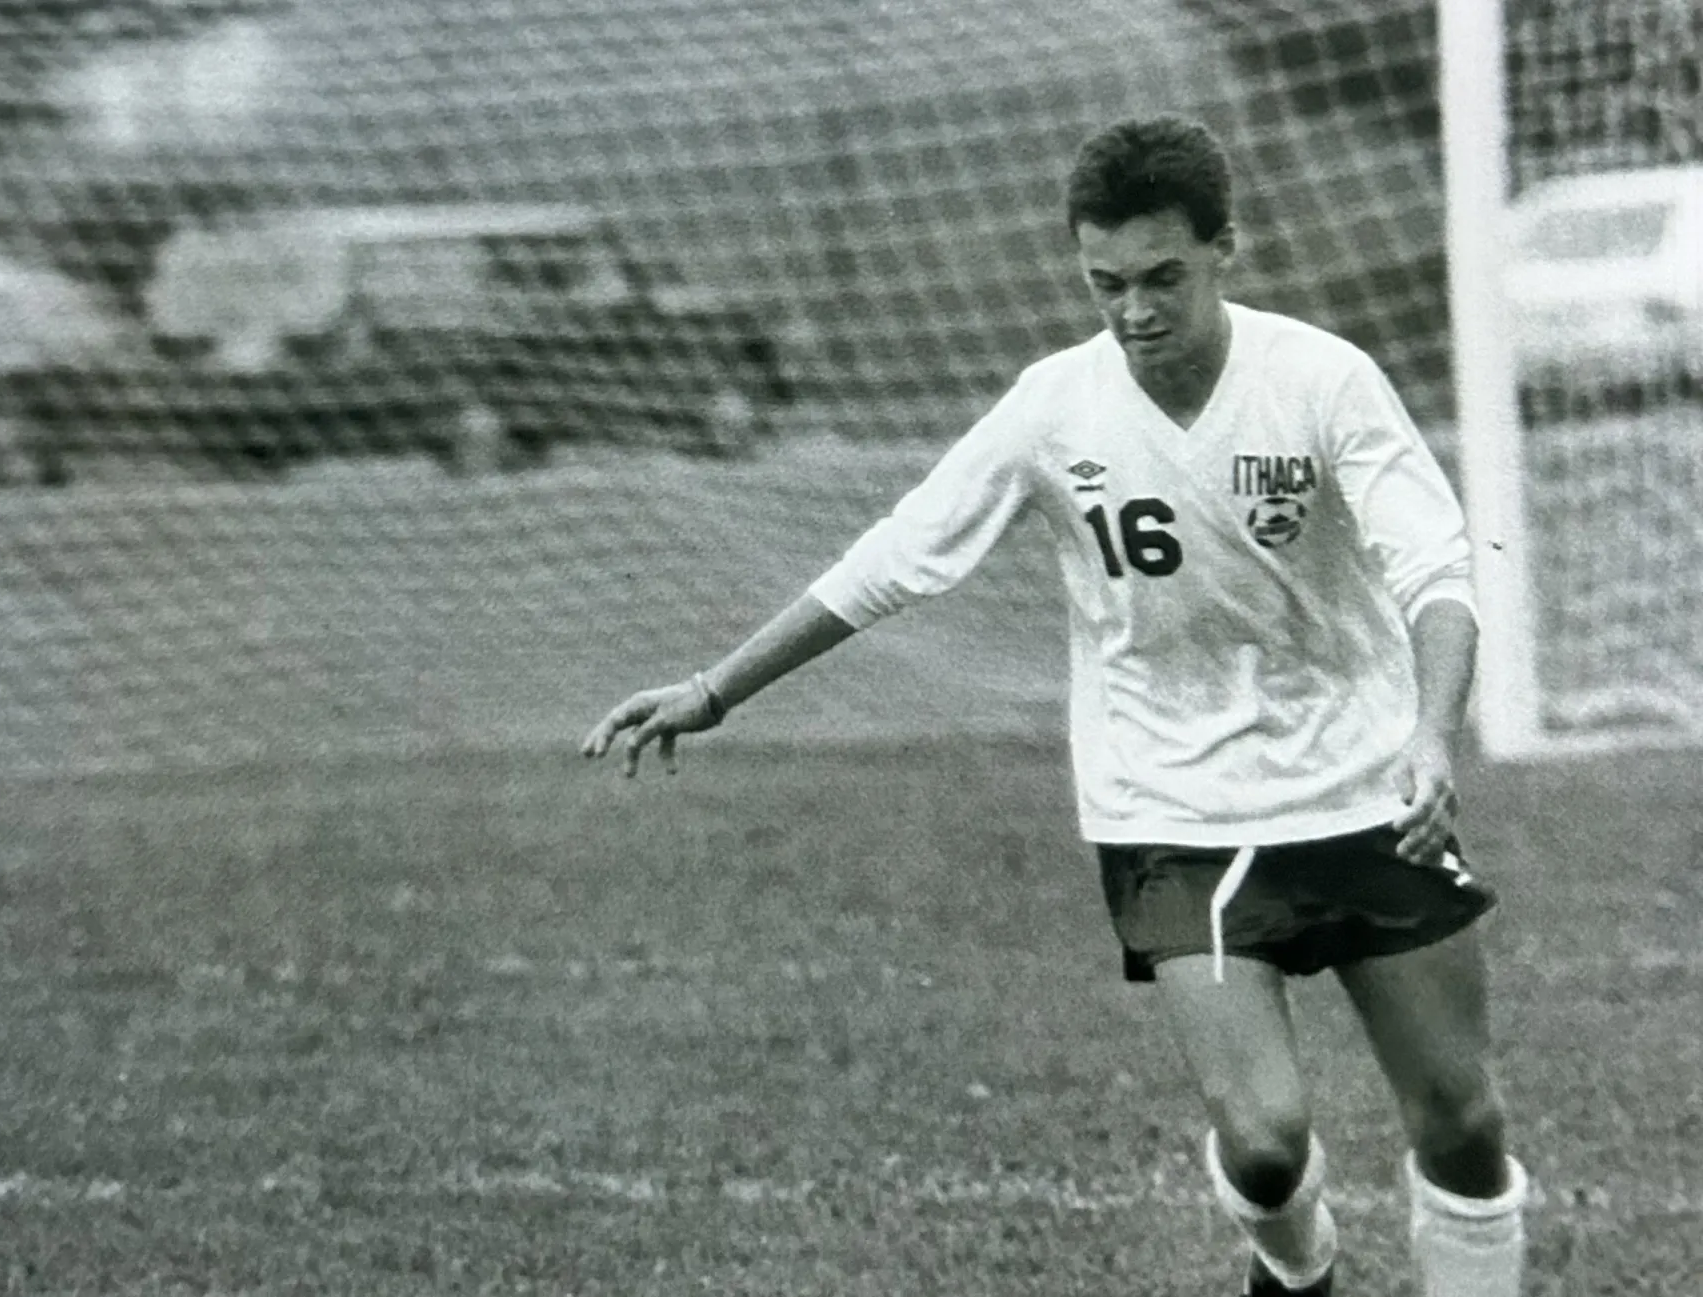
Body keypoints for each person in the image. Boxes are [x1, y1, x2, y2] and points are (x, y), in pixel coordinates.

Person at [580, 115, 1527, 1297]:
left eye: (1162, 279)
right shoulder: (1052, 407)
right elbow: (895, 558)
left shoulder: (1323, 381)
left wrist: (1433, 732)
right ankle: (1301, 1265)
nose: (1133, 312)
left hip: (1369, 784)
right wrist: (716, 687)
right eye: (1106, 284)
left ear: (1226, 247)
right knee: (1268, 1145)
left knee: (1462, 1119)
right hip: (1173, 804)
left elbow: (1436, 571)